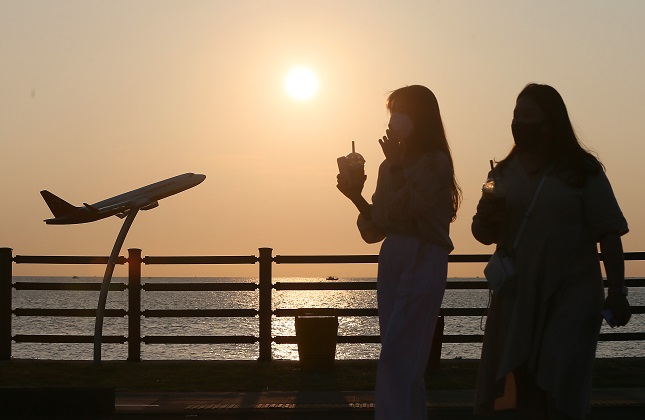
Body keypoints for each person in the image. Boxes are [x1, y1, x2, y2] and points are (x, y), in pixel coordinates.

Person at [472, 83, 631, 419]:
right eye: (515, 115)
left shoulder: (582, 172)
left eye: (528, 115)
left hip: (570, 295)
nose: (518, 123)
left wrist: (617, 291)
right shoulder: (501, 174)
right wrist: (486, 219)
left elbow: (609, 232)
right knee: (517, 384)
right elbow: (483, 235)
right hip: (516, 297)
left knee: (559, 380)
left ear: (551, 122)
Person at [336, 85, 462, 419]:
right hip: (393, 256)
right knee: (401, 359)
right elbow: (375, 229)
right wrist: (355, 196)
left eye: (401, 112)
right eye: (392, 113)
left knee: (398, 357)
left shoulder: (435, 161)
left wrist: (395, 166)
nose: (394, 120)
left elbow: (408, 208)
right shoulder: (387, 167)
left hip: (423, 255)